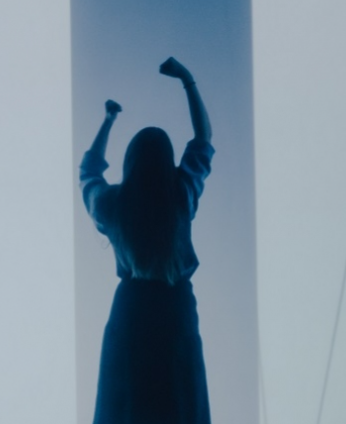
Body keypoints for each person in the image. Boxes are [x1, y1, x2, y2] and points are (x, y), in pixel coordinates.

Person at [79, 57, 213, 424]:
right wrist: (187, 78)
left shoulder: (113, 206)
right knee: (180, 403)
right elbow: (203, 140)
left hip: (130, 314)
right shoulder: (180, 197)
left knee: (125, 407)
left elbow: (89, 172)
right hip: (175, 312)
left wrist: (108, 121)